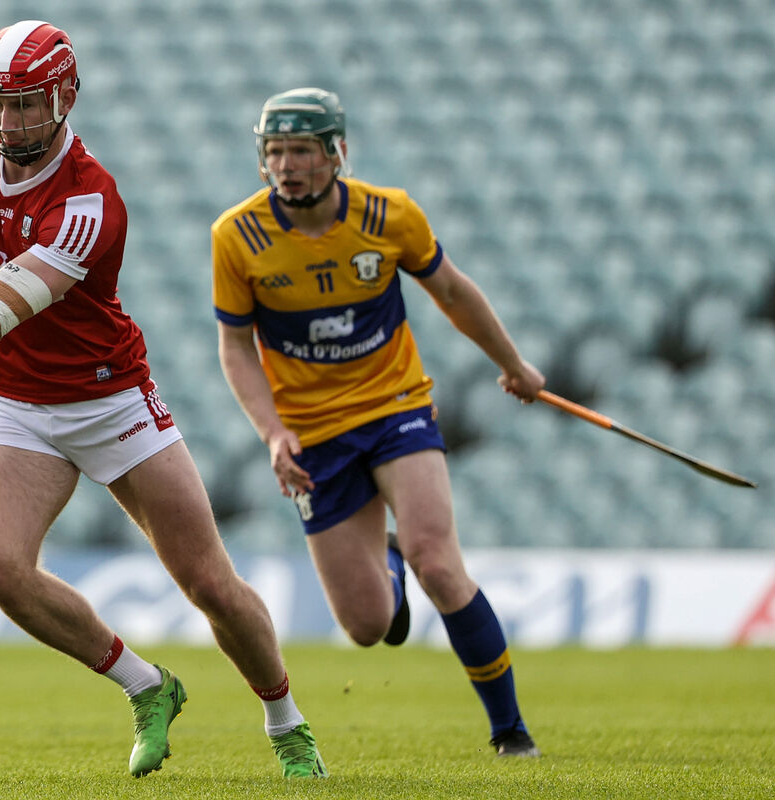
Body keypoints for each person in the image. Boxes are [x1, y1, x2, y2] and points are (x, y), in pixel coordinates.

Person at [0, 22, 326, 778]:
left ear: (65, 95)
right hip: (17, 406)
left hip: (110, 401)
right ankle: (147, 687)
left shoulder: (90, 202)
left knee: (210, 583)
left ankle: (286, 720)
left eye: (25, 105)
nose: (9, 123)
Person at [211, 87, 546, 757]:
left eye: (301, 149)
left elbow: (451, 291)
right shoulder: (236, 237)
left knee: (440, 565)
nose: (287, 164)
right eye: (274, 151)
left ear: (337, 152)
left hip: (395, 408)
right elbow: (235, 349)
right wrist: (274, 434)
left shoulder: (389, 216)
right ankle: (386, 561)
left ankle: (510, 731)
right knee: (366, 626)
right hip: (313, 435)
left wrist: (513, 364)